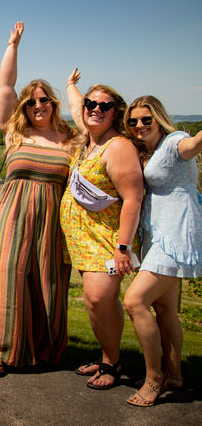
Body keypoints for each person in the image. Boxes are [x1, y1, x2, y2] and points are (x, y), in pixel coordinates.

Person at [0, 22, 79, 374]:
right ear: (24, 107)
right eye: (32, 101)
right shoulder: (13, 133)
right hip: (12, 216)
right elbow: (6, 85)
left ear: (53, 104)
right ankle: (0, 351)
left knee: (47, 283)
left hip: (53, 221)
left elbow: (87, 116)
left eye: (45, 100)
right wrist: (13, 45)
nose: (38, 105)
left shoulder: (70, 140)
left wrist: (71, 88)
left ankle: (46, 349)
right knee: (7, 276)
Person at [61, 71, 143, 389]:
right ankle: (108, 355)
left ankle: (113, 362)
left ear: (115, 112)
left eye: (104, 106)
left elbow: (134, 198)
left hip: (106, 239)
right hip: (81, 238)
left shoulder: (117, 146)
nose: (95, 109)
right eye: (90, 103)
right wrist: (71, 86)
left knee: (97, 298)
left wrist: (122, 247)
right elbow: (73, 105)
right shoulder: (89, 139)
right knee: (101, 301)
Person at [122, 96, 202, 406]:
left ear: (159, 119)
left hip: (175, 235)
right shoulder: (146, 152)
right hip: (157, 237)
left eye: (146, 120)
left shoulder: (173, 142)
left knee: (135, 300)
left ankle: (153, 379)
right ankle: (176, 374)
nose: (139, 126)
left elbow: (193, 145)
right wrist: (72, 88)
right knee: (166, 310)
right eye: (133, 122)